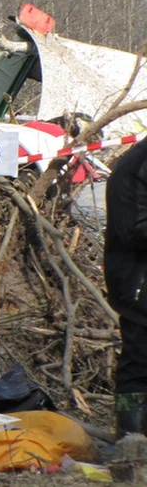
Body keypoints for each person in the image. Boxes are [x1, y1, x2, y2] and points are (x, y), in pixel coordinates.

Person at [105, 138, 147, 437]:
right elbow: (134, 228)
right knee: (139, 363)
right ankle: (130, 445)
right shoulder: (136, 166)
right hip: (138, 282)